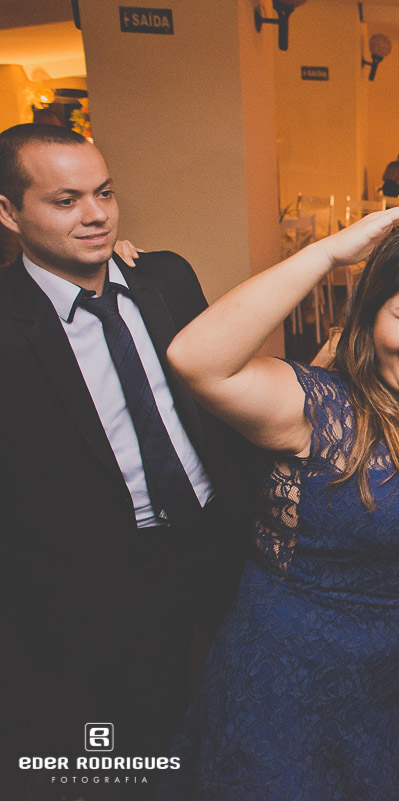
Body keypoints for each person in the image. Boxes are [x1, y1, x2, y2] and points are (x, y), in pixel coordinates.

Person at [159, 205, 399, 800]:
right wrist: (329, 253)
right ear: (370, 314)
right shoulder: (319, 409)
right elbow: (194, 359)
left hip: (394, 686)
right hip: (285, 688)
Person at [0, 123, 251, 798]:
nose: (96, 215)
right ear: (8, 212)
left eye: (104, 193)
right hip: (105, 570)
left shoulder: (164, 276)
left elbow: (221, 397)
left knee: (248, 695)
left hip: (217, 529)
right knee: (138, 736)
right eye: (66, 200)